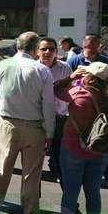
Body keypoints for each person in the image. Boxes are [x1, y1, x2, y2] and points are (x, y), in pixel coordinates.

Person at [0, 32, 55, 214]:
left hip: (7, 123)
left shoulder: (2, 66)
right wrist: (49, 133)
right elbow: (48, 106)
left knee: (0, 166)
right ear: (34, 49)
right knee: (31, 175)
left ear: (17, 46)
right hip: (34, 127)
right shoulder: (42, 70)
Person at [53, 62, 108, 214]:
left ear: (89, 76)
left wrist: (71, 77)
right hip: (99, 151)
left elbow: (56, 89)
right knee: (93, 191)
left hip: (73, 149)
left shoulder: (79, 94)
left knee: (70, 191)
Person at [67, 33, 108, 192]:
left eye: (93, 47)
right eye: (87, 47)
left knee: (102, 141)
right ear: (83, 46)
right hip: (80, 106)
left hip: (100, 109)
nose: (89, 51)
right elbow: (67, 80)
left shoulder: (104, 61)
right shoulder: (74, 60)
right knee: (81, 143)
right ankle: (82, 177)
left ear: (99, 46)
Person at [38, 37, 72, 184]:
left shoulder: (65, 68)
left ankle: (69, 204)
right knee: (35, 163)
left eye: (51, 49)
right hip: (37, 120)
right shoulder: (32, 68)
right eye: (43, 49)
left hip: (60, 119)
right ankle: (33, 202)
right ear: (37, 51)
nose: (47, 52)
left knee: (62, 162)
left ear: (56, 51)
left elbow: (72, 90)